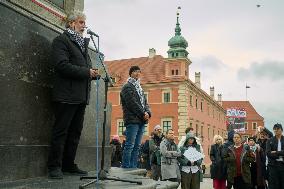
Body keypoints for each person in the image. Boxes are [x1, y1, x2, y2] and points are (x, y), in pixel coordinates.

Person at [47, 10, 100, 179]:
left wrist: (93, 74)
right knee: (61, 132)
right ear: (71, 23)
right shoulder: (61, 41)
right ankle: (54, 166)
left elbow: (82, 70)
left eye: (84, 22)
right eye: (81, 22)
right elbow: (61, 65)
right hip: (66, 96)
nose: (84, 26)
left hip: (80, 96)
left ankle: (68, 164)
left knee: (75, 133)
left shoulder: (82, 44)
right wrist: (87, 72)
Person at [120, 66, 151, 168]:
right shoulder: (127, 87)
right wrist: (143, 113)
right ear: (130, 73)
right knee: (130, 145)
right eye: (135, 71)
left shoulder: (140, 88)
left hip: (141, 120)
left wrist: (148, 113)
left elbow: (145, 103)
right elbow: (132, 103)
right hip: (132, 120)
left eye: (139, 71)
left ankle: (133, 167)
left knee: (137, 146)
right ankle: (125, 167)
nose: (137, 73)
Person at [266, 123, 284, 189]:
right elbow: (268, 153)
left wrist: (276, 152)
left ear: (281, 130)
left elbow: (272, 153)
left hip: (282, 165)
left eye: (277, 129)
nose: (276, 131)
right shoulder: (269, 140)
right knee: (273, 185)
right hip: (273, 166)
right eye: (274, 129)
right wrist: (280, 154)